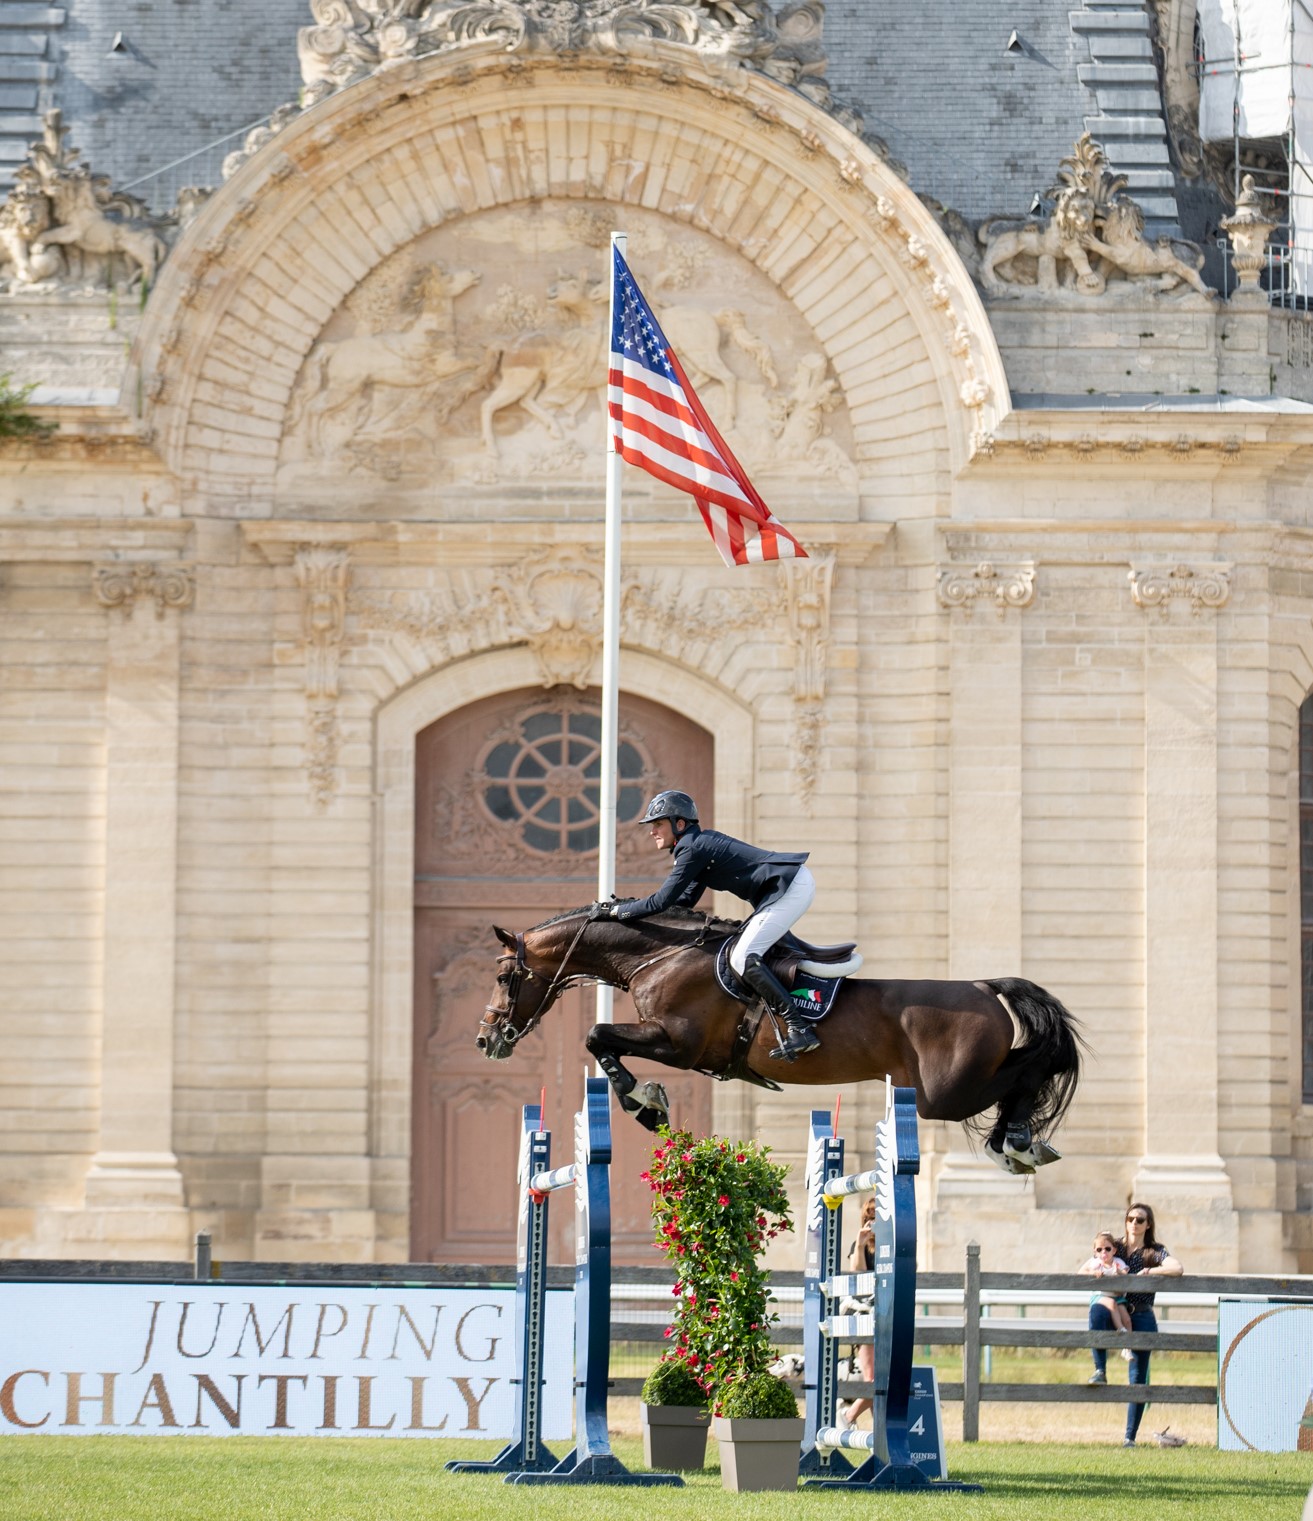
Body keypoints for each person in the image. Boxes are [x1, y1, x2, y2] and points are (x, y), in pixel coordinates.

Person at [595, 789, 820, 1060]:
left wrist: (617, 911)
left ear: (679, 824)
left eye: (658, 824)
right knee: (745, 953)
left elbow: (661, 901)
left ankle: (799, 1027)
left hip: (790, 887)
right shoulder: (694, 846)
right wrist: (630, 913)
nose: (652, 831)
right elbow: (685, 901)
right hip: (786, 888)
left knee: (742, 958)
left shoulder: (692, 848)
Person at [1086, 1202, 1183, 1446]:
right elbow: (1091, 1262)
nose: (1134, 1224)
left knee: (1138, 1378)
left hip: (1141, 1314)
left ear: (1148, 1224)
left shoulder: (1154, 1251)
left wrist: (1150, 1273)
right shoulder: (1114, 1246)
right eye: (1130, 1219)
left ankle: (1129, 1437)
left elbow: (1176, 1267)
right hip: (1113, 1305)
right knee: (1096, 1312)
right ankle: (1100, 1369)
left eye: (1140, 1220)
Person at [839, 1196, 877, 1427]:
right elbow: (857, 1276)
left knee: (882, 1378)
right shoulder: (860, 1244)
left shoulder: (893, 1243)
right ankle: (849, 1416)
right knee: (873, 1378)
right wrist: (861, 1244)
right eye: (870, 1217)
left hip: (887, 1314)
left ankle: (878, 1429)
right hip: (865, 1315)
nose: (874, 1222)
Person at [1079, 1231, 1133, 1356]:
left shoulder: (1118, 1262)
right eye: (1099, 1249)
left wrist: (1118, 1272)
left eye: (1107, 1249)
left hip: (1117, 1296)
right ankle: (1120, 1329)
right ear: (1095, 1252)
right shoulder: (1095, 1263)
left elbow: (1126, 1274)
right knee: (1111, 1303)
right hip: (1100, 1297)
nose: (1104, 1252)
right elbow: (1081, 1273)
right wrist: (1093, 1273)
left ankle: (1128, 1347)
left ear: (1114, 1250)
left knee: (1128, 1319)